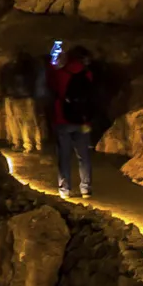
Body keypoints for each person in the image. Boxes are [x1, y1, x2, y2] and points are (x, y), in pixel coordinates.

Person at [50, 47, 97, 198]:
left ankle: (65, 190)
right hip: (83, 121)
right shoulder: (88, 74)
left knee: (64, 156)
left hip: (63, 119)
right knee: (84, 156)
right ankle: (86, 188)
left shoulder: (61, 74)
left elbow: (53, 89)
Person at [3, 51, 42, 152]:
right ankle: (35, 144)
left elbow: (11, 84)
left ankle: (28, 144)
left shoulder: (14, 71)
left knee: (23, 123)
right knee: (31, 122)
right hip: (27, 97)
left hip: (20, 97)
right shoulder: (32, 70)